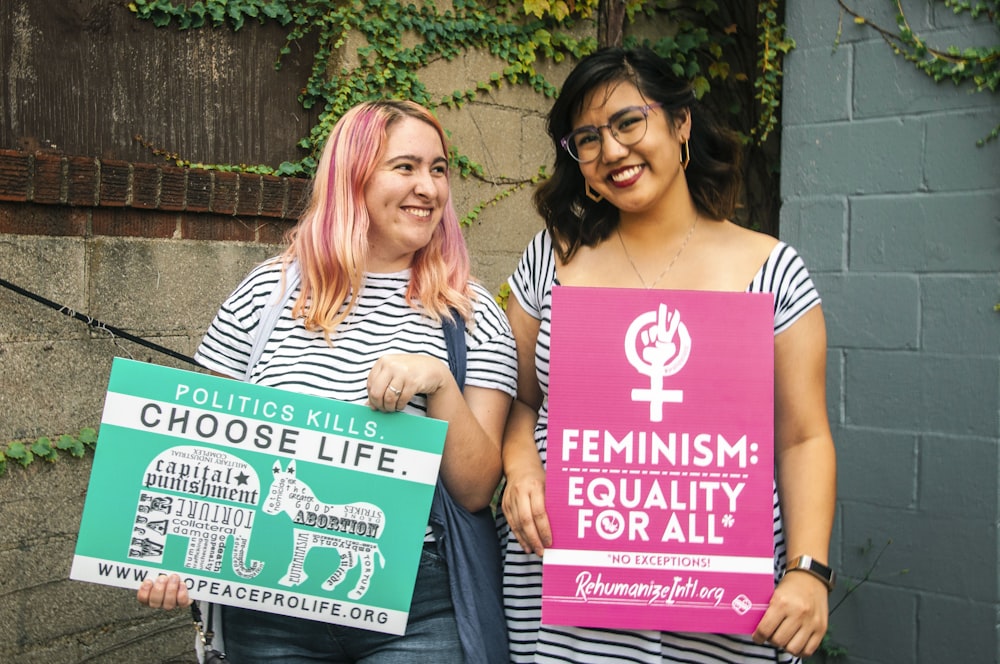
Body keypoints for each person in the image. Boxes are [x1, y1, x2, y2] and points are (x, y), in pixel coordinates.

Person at [137, 99, 518, 663]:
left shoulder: (470, 311)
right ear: (353, 177)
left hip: (417, 605)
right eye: (405, 167)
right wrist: (172, 553)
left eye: (438, 170)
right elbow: (201, 451)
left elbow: (475, 489)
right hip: (267, 609)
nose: (429, 188)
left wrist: (439, 384)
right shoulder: (265, 294)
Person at [498, 47, 837, 663]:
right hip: (570, 587)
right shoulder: (551, 261)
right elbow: (520, 402)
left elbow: (803, 438)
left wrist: (809, 570)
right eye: (588, 139)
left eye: (629, 122)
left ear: (680, 124)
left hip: (721, 608)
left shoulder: (772, 270)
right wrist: (521, 470)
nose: (613, 151)